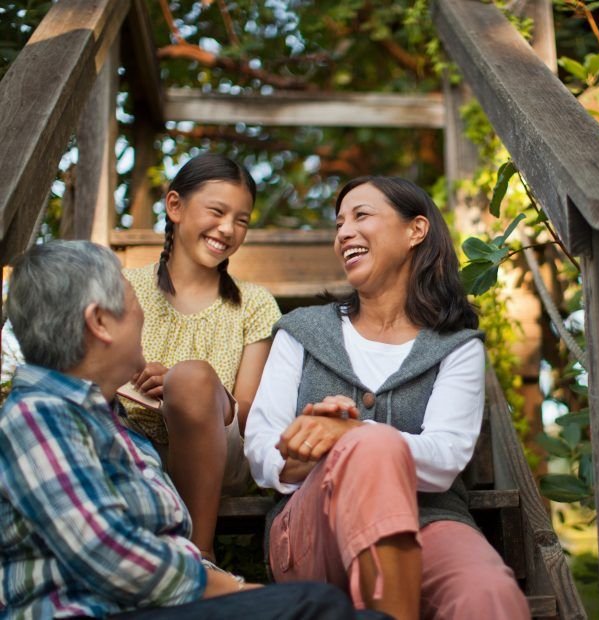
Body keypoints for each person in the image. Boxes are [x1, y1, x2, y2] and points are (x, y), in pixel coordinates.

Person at [0, 240, 361, 619]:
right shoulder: (38, 416)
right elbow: (108, 552)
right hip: (90, 611)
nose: (141, 313)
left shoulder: (108, 421)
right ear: (100, 322)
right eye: (131, 299)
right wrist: (232, 589)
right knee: (317, 606)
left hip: (145, 606)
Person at [244, 176, 530, 619]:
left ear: (416, 230)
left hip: (430, 520)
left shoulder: (457, 346)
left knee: (487, 594)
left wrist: (350, 434)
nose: (343, 233)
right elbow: (262, 448)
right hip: (312, 529)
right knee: (369, 445)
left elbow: (447, 456)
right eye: (339, 223)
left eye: (361, 216)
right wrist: (325, 449)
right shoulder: (301, 331)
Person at [121, 153, 281, 562]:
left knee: (191, 378)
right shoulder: (124, 288)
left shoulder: (255, 304)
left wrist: (191, 387)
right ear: (175, 206)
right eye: (217, 211)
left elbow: (249, 413)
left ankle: (199, 556)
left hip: (219, 451)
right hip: (131, 439)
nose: (227, 229)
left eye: (241, 220)